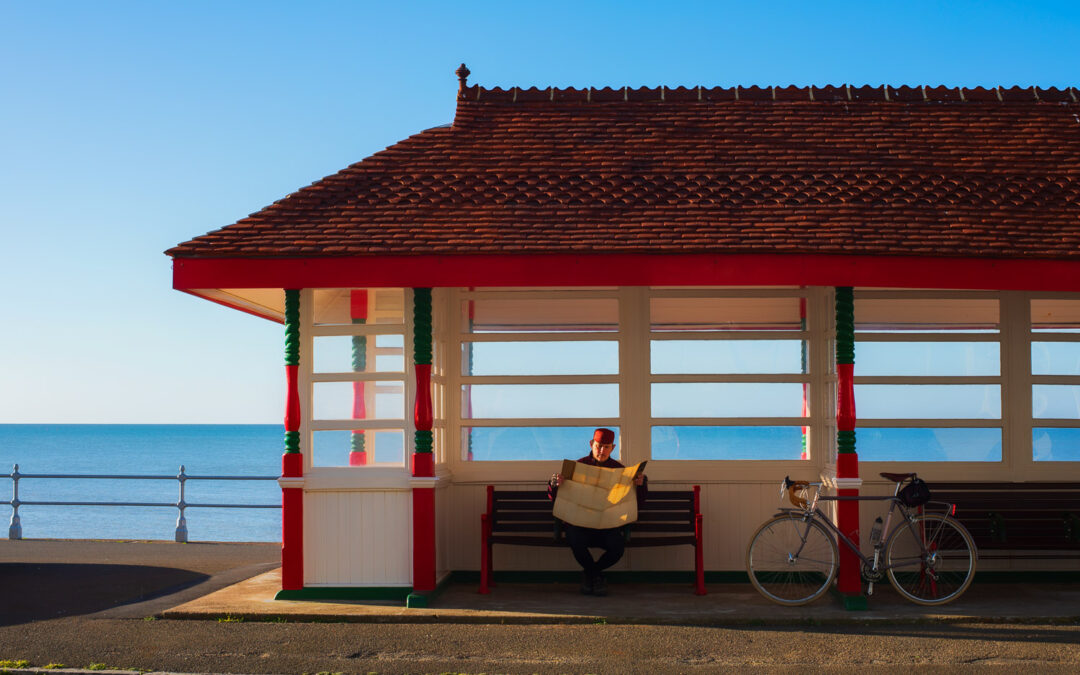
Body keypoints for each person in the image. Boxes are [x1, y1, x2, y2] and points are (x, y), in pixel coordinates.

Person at [547, 428, 647, 596]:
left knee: (617, 548)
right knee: (575, 540)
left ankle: (590, 573)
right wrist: (555, 484)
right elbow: (555, 498)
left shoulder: (620, 471)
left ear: (613, 448)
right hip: (580, 524)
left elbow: (638, 502)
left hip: (608, 525)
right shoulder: (577, 466)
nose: (602, 450)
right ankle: (596, 576)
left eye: (606, 447)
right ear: (591, 444)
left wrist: (640, 485)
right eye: (599, 446)